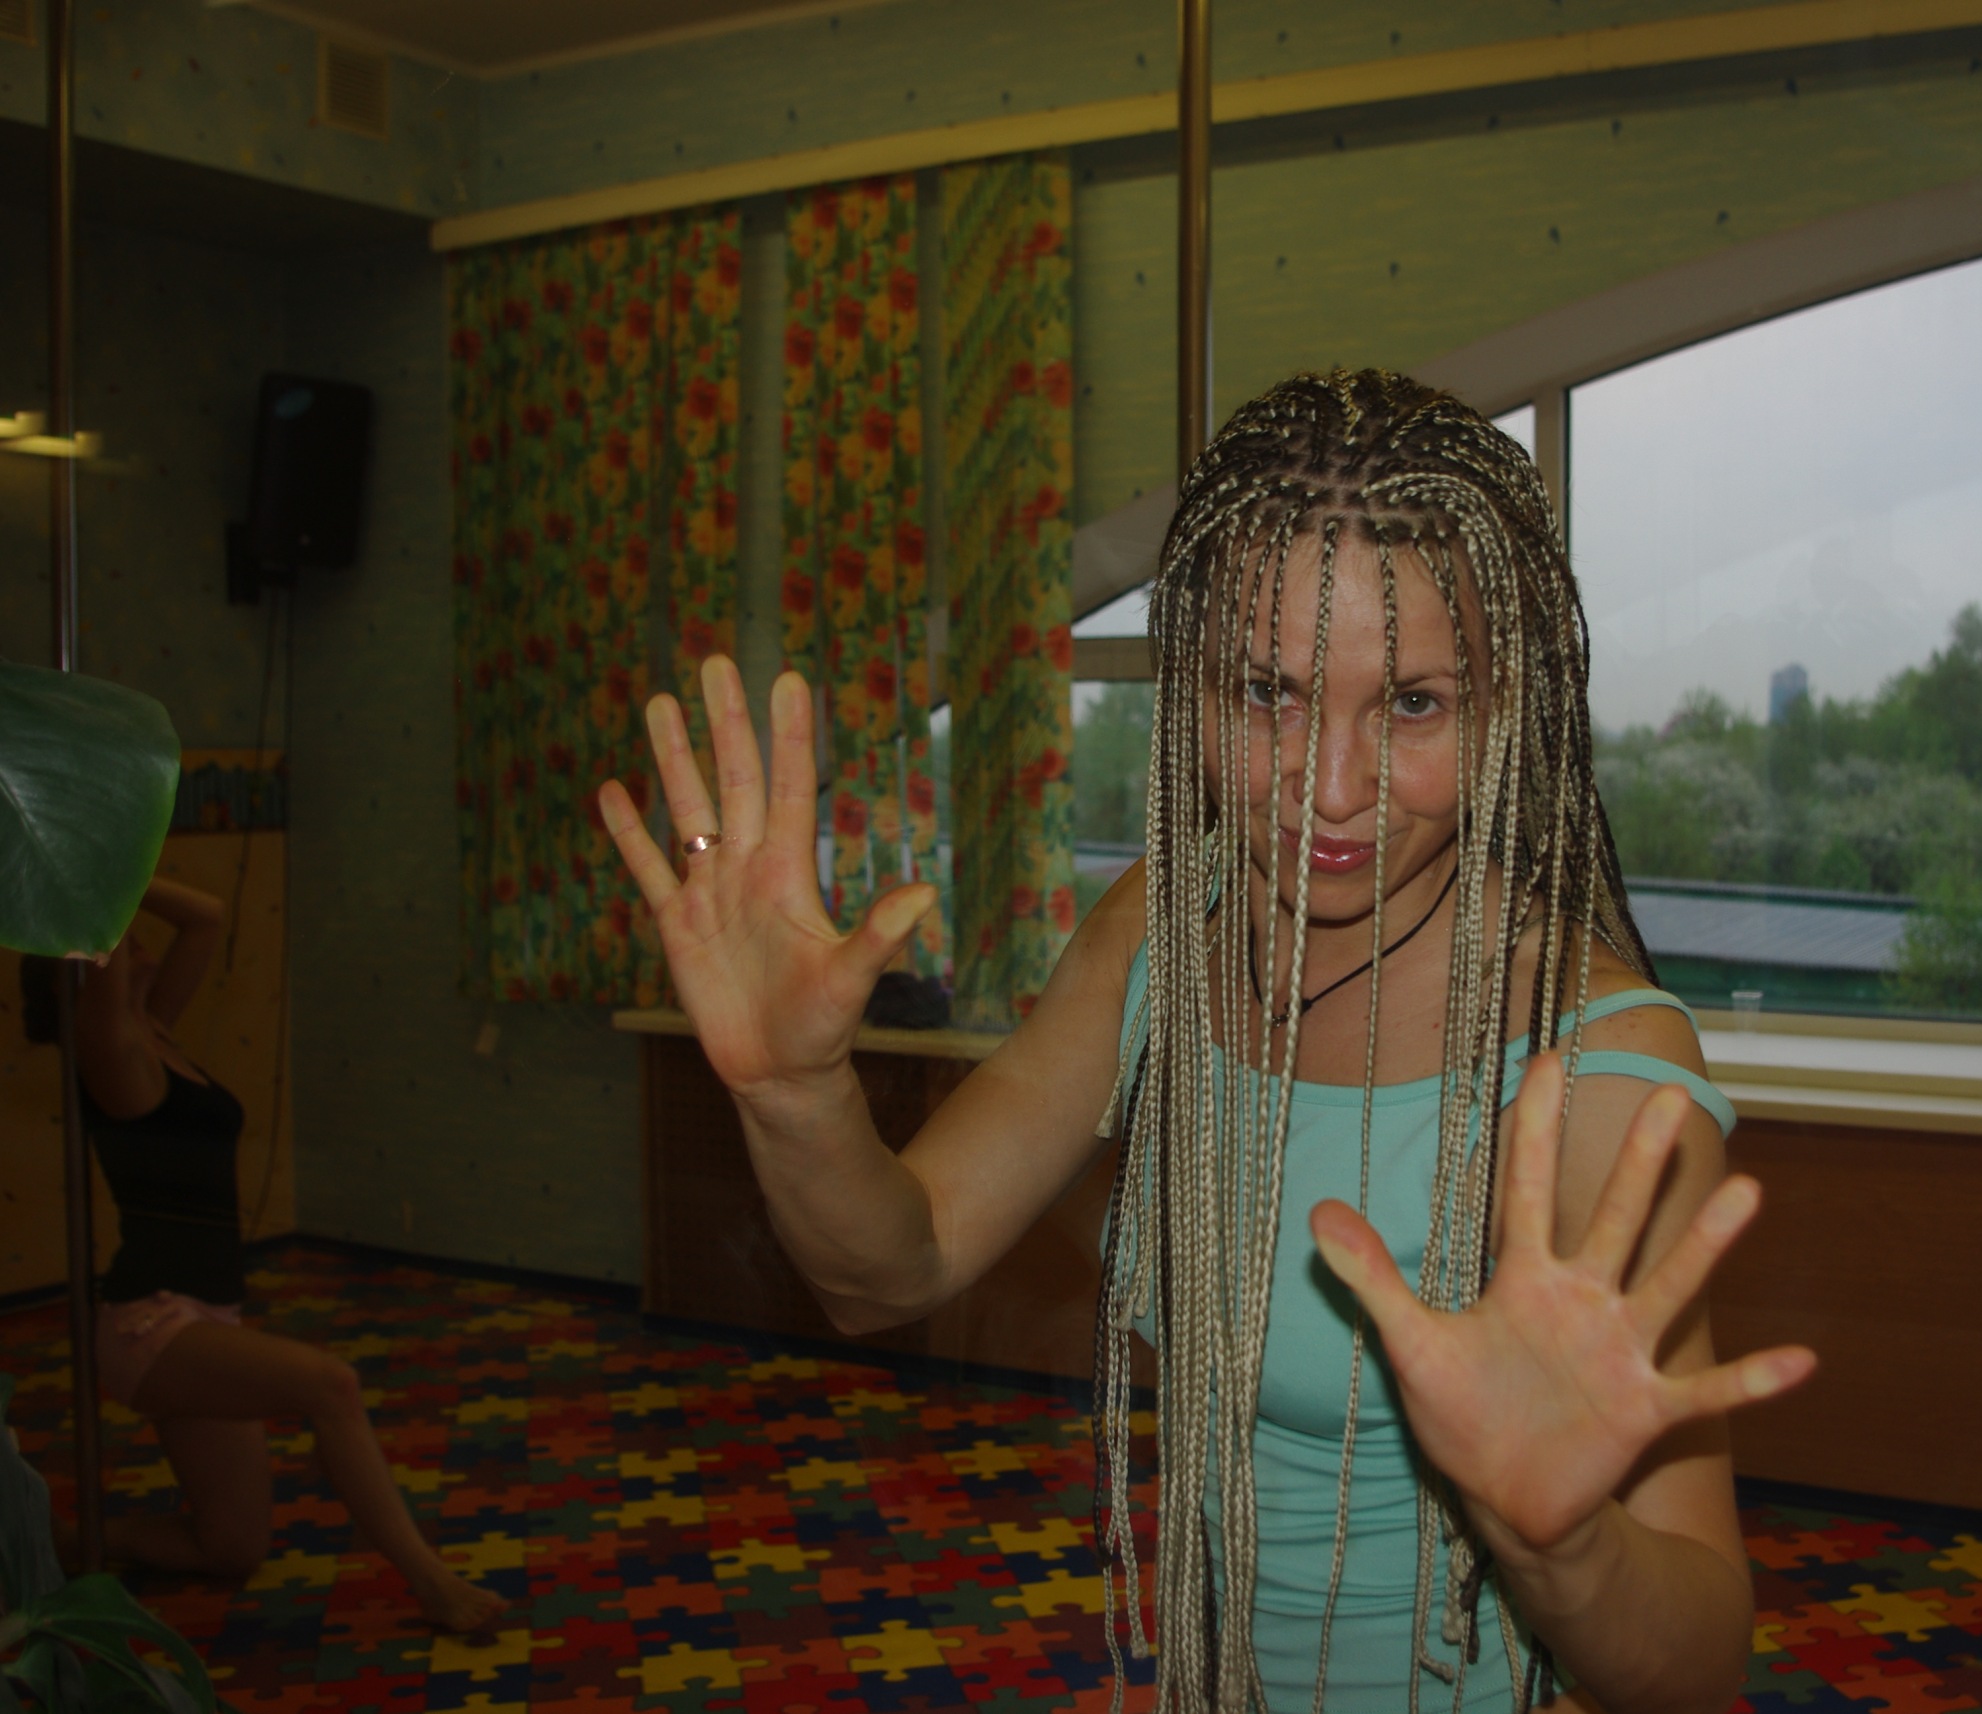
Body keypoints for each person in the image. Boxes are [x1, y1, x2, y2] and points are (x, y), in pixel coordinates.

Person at [600, 369, 1816, 1713]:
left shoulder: (1600, 1073)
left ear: (1509, 706)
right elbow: (891, 1267)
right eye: (1264, 690)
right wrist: (792, 1092)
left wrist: (1564, 1547)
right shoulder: (1165, 928)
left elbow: (1697, 1673)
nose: (1330, 787)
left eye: (1413, 703)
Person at [20, 878, 505, 1635]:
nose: (133, 937)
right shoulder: (111, 1055)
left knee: (232, 1546)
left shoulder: (155, 1031)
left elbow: (206, 917)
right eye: (117, 938)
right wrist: (86, 868)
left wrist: (127, 861)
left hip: (209, 1314)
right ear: (80, 979)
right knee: (330, 1387)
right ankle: (433, 1582)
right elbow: (94, 941)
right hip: (152, 1324)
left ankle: (74, 1543)